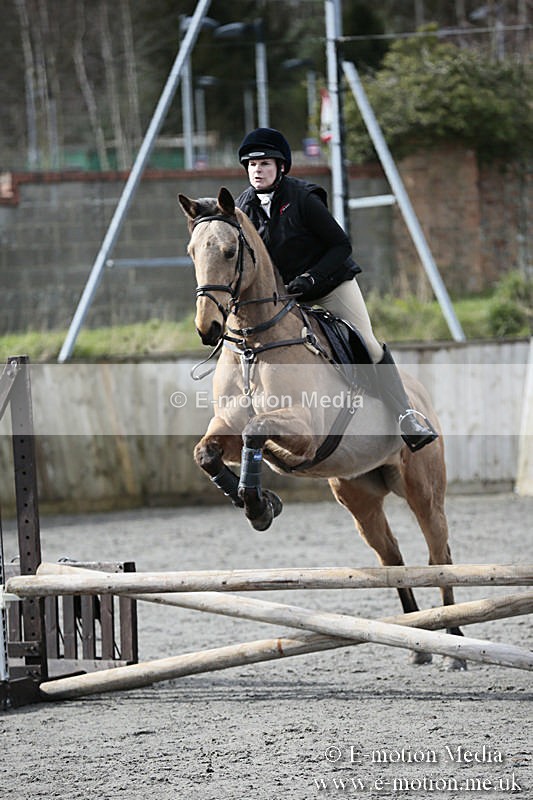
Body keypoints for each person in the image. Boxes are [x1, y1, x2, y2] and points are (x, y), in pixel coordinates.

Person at [235, 127, 438, 453]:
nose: (257, 171)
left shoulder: (303, 198)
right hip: (286, 298)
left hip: (329, 286)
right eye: (252, 165)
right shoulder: (243, 207)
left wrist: (312, 278)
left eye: (265, 164)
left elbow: (340, 245)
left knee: (368, 344)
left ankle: (406, 417)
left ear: (281, 167)